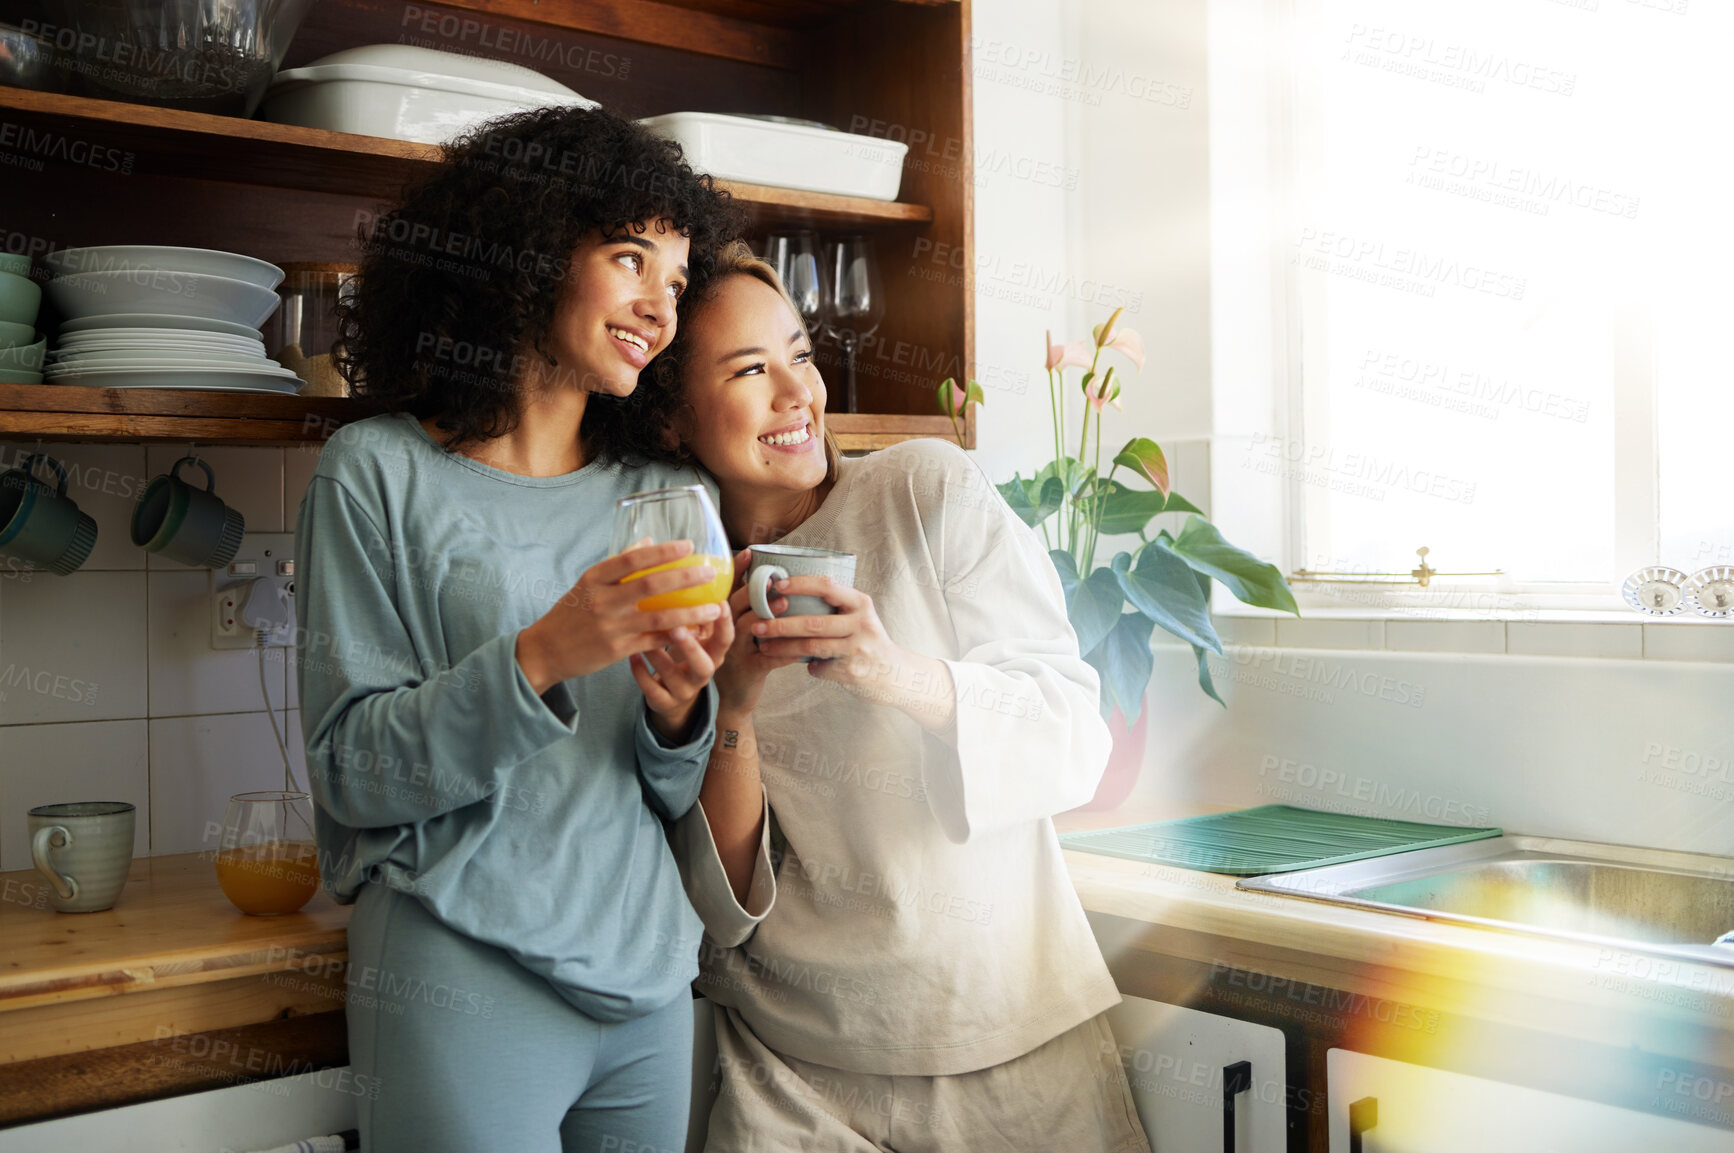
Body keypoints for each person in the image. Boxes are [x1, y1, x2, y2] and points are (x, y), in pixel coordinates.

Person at [294, 106, 741, 1153]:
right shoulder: (377, 474)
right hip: (458, 968)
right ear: (530, 255)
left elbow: (666, 788)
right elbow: (351, 767)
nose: (657, 305)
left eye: (676, 281)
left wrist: (680, 720)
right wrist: (546, 653)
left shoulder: (668, 496)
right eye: (630, 258)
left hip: (647, 981)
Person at [641, 241, 1152, 1151]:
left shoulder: (927, 489)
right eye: (750, 369)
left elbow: (1076, 737)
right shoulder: (679, 584)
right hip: (792, 1074)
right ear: (675, 419)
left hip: (1005, 1044)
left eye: (799, 354)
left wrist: (892, 670)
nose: (797, 393)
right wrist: (737, 709)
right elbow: (724, 905)